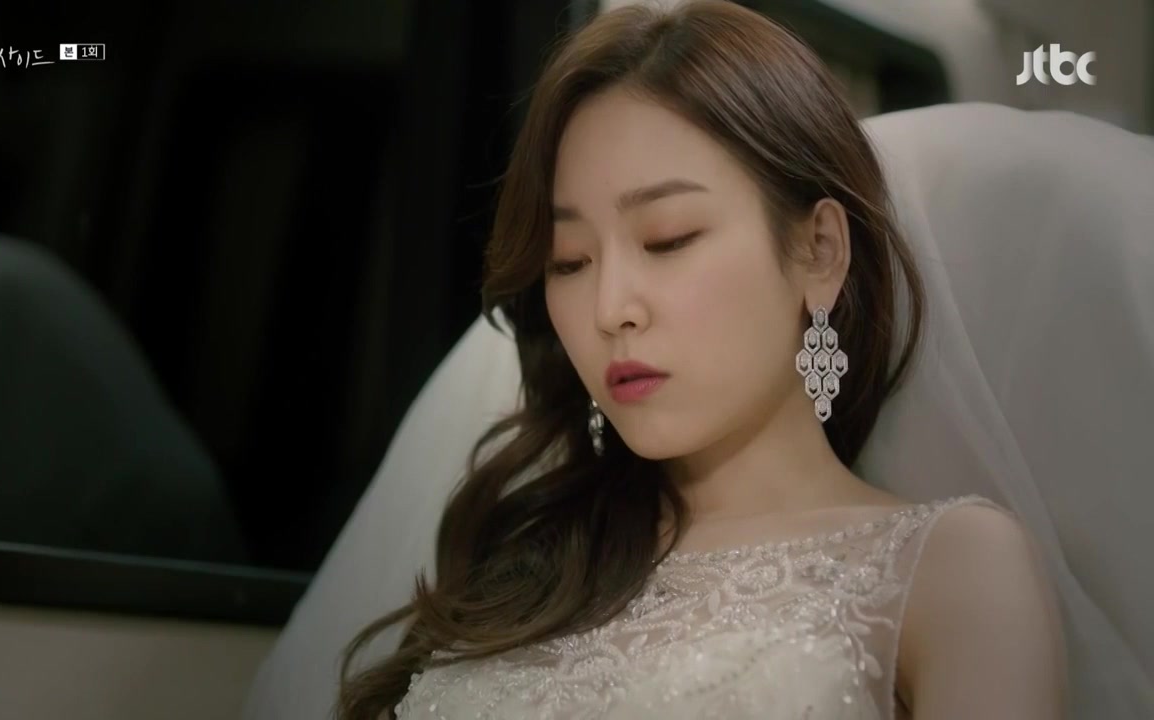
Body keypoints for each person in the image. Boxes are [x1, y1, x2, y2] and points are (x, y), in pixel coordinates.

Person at [335, 1, 1066, 717]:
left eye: (668, 239)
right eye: (570, 260)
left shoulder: (950, 569)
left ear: (819, 252)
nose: (610, 308)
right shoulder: (527, 561)